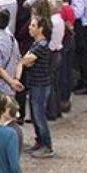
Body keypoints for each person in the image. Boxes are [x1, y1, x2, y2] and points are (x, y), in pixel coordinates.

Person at [20, 15, 54, 158]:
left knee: (39, 116)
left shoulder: (41, 45)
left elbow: (26, 61)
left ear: (41, 29)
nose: (30, 28)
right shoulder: (35, 44)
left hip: (40, 85)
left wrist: (24, 61)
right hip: (34, 84)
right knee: (34, 115)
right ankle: (39, 141)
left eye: (33, 26)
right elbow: (27, 60)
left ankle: (46, 145)